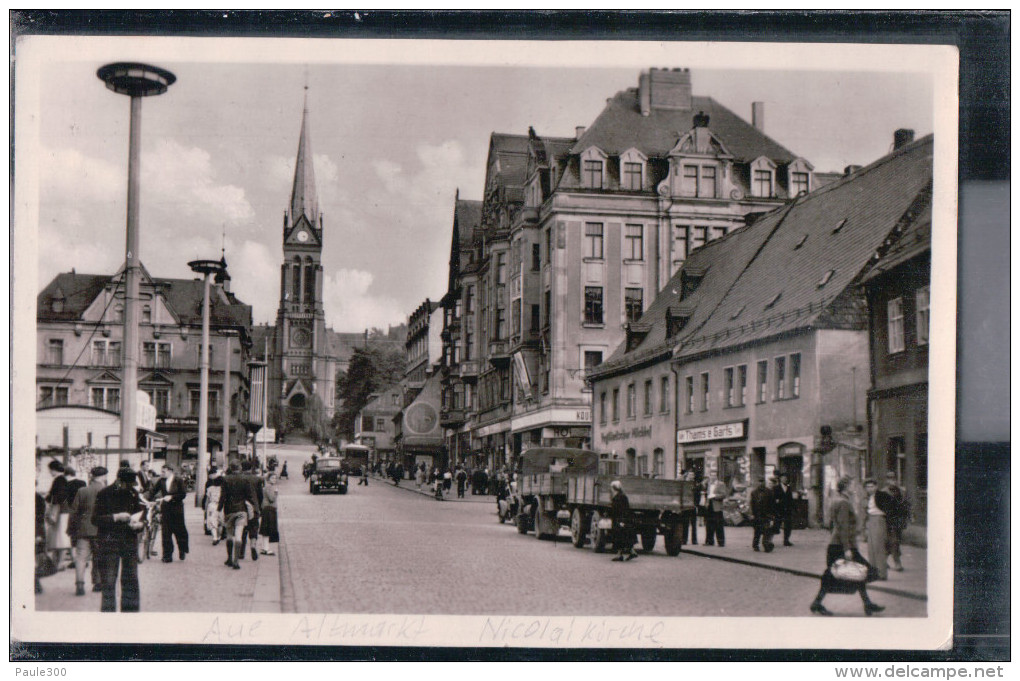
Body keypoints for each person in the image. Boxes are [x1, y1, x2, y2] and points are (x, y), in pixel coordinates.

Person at [809, 476, 884, 616]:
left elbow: (833, 525)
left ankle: (867, 604)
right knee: (864, 572)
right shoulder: (843, 503)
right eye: (851, 485)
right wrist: (847, 549)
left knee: (856, 573)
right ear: (845, 487)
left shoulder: (837, 500)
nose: (854, 488)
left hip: (838, 544)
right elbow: (843, 527)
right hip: (842, 546)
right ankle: (817, 603)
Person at [93, 466, 145, 612]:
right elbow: (95, 519)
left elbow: (140, 515)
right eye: (127, 484)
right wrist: (116, 517)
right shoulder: (104, 494)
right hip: (109, 542)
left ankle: (130, 614)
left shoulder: (133, 493)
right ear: (119, 480)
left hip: (129, 541)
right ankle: (108, 614)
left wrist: (139, 525)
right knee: (109, 581)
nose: (130, 487)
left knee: (131, 579)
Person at [67, 466, 107, 596]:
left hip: (83, 529)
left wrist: (70, 529)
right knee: (99, 557)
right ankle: (98, 583)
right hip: (100, 530)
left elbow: (73, 511)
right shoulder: (106, 491)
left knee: (81, 558)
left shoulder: (82, 491)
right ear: (103, 477)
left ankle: (79, 584)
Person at [218, 462, 258, 569]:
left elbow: (222, 497)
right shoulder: (245, 479)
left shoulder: (225, 479)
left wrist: (219, 510)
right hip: (241, 510)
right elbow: (250, 497)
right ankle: (236, 561)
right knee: (239, 535)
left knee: (230, 535)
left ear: (230, 468)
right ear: (240, 468)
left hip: (229, 511)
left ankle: (229, 558)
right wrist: (254, 509)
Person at [147, 464, 189, 562]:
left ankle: (182, 550)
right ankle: (167, 556)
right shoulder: (161, 481)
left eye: (164, 471)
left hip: (177, 510)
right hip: (166, 509)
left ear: (170, 471)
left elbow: (183, 494)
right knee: (166, 533)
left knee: (179, 532)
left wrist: (172, 497)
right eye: (161, 471)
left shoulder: (178, 480)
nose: (162, 473)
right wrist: (146, 499)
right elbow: (153, 491)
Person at [863, 478, 894, 581]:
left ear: (876, 486)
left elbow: (893, 507)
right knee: (871, 548)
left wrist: (887, 517)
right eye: (868, 487)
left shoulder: (882, 495)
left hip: (879, 520)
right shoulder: (868, 497)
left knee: (879, 547)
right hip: (871, 521)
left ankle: (881, 573)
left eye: (872, 486)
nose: (870, 488)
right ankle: (873, 572)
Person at [239, 460, 264, 561]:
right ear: (251, 468)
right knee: (254, 529)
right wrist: (259, 508)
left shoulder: (239, 478)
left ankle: (241, 552)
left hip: (242, 508)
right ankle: (253, 546)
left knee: (242, 530)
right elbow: (260, 495)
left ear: (242, 468)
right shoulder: (257, 479)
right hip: (254, 508)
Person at [883, 471, 908, 571]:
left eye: (893, 478)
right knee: (894, 541)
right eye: (889, 478)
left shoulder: (902, 491)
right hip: (888, 521)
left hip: (899, 520)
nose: (892, 480)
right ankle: (897, 562)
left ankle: (883, 560)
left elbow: (906, 505)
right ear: (886, 480)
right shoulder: (883, 492)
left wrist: (907, 518)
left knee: (894, 541)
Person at [609, 480, 638, 562]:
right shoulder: (620, 496)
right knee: (623, 536)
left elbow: (624, 510)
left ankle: (621, 555)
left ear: (614, 488)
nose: (611, 489)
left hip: (620, 520)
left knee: (620, 536)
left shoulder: (620, 497)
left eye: (611, 487)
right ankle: (629, 552)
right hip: (620, 520)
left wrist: (622, 521)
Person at [749, 477, 776, 552]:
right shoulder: (754, 492)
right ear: (757, 482)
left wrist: (772, 515)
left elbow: (772, 504)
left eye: (762, 482)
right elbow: (752, 504)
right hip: (757, 515)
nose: (761, 483)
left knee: (766, 531)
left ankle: (766, 545)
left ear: (764, 482)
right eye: (759, 482)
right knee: (757, 531)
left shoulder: (769, 492)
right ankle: (755, 545)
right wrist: (752, 514)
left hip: (766, 515)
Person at [258, 472, 280, 556]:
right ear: (268, 479)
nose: (274, 480)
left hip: (266, 509)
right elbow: (271, 498)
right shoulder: (270, 487)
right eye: (272, 478)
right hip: (269, 509)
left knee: (265, 529)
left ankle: (264, 547)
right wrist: (276, 493)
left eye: (275, 478)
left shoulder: (266, 486)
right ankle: (267, 549)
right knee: (268, 529)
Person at [203, 466, 226, 544]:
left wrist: (205, 509)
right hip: (221, 506)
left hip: (212, 506)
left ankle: (214, 537)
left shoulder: (210, 488)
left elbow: (207, 499)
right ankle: (219, 536)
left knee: (212, 522)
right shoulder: (223, 489)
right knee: (220, 523)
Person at [772, 474, 796, 547]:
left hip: (787, 510)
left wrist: (793, 508)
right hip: (779, 510)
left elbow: (791, 499)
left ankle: (786, 540)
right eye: (783, 478)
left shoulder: (789, 488)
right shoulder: (776, 488)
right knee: (776, 526)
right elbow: (774, 498)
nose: (785, 479)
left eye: (786, 478)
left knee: (788, 526)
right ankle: (769, 540)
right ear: (780, 479)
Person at [704, 476, 727, 547]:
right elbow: (707, 495)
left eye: (713, 476)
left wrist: (714, 496)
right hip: (709, 506)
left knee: (719, 525)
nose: (711, 478)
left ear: (716, 477)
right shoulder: (709, 485)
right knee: (709, 524)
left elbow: (723, 495)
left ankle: (721, 542)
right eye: (711, 476)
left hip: (717, 507)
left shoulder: (721, 484)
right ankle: (709, 541)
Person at [680, 471, 699, 546]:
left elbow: (697, 495)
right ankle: (684, 540)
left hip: (693, 506)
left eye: (692, 475)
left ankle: (694, 540)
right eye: (690, 475)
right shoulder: (684, 484)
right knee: (685, 524)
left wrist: (696, 504)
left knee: (694, 524)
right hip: (685, 506)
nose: (691, 476)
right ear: (687, 476)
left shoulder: (695, 484)